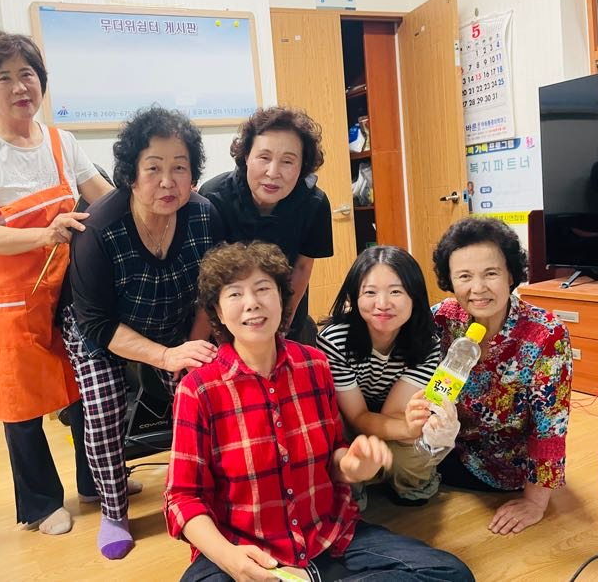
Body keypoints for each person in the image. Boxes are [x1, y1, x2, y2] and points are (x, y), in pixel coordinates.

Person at [165, 241, 475, 582]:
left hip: (326, 535)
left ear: (282, 301)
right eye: (235, 294)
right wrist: (230, 559)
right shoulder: (198, 389)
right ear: (219, 312)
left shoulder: (313, 365)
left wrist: (352, 465)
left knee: (450, 574)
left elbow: (333, 455)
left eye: (263, 289)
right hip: (243, 548)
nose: (252, 303)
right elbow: (182, 498)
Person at [0, 30, 113, 535]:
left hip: (64, 289)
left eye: (28, 74)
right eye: (5, 78)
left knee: (84, 387)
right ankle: (41, 505)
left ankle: (96, 482)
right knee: (19, 403)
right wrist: (46, 233)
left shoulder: (62, 141)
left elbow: (104, 199)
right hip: (5, 295)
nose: (21, 87)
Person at [61, 106, 223, 560]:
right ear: (131, 175)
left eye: (180, 168)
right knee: (104, 408)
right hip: (100, 331)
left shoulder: (204, 217)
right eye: (153, 168)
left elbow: (211, 290)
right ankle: (114, 511)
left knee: (201, 389)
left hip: (172, 319)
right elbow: (96, 322)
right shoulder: (99, 229)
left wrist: (190, 347)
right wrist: (164, 356)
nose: (168, 182)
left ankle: (202, 493)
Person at [432, 217, 573, 535]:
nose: (478, 288)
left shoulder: (545, 334)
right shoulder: (443, 318)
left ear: (511, 274)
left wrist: (535, 502)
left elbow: (550, 427)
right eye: (464, 276)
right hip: (445, 446)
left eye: (491, 273)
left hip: (504, 469)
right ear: (450, 280)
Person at [317, 245, 457, 508]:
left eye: (396, 291)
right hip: (348, 419)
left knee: (412, 465)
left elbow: (394, 413)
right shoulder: (335, 339)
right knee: (345, 461)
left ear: (414, 296)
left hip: (391, 417)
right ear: (354, 297)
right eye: (370, 292)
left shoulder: (426, 342)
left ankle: (396, 478)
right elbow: (358, 418)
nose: (382, 304)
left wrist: (415, 428)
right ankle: (356, 485)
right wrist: (407, 429)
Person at [199, 106, 333, 345]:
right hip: (226, 320)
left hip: (284, 312)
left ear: (302, 166)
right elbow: (208, 279)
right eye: (264, 157)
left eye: (288, 161)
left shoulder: (314, 203)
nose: (273, 172)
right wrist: (221, 339)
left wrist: (281, 327)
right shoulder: (213, 197)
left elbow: (302, 267)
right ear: (246, 156)